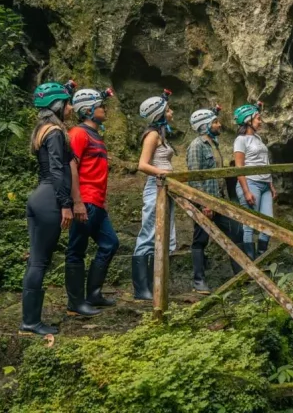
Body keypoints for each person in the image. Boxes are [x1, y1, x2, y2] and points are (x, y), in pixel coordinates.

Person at [21, 81, 76, 336]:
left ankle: (30, 320)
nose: (70, 108)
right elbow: (57, 170)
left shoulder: (41, 130)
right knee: (39, 262)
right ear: (56, 105)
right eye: (67, 103)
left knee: (36, 260)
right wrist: (66, 204)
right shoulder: (55, 132)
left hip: (38, 197)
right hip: (49, 200)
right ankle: (31, 322)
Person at [64, 87, 119, 317]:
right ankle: (75, 304)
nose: (104, 109)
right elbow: (71, 167)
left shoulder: (96, 135)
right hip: (84, 200)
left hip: (96, 201)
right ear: (87, 110)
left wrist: (102, 200)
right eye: (100, 106)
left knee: (110, 243)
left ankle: (93, 294)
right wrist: (76, 202)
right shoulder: (78, 133)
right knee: (76, 249)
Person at [187, 106, 245, 294]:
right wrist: (203, 203)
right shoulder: (196, 146)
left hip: (218, 200)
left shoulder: (214, 144)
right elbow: (195, 177)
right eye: (215, 122)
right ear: (204, 126)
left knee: (235, 231)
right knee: (200, 239)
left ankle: (241, 274)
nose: (219, 125)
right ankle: (199, 281)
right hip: (205, 202)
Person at [132, 89, 177, 300]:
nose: (171, 112)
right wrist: (165, 174)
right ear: (159, 114)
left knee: (163, 234)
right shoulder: (152, 135)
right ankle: (141, 289)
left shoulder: (161, 135)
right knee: (149, 233)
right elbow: (142, 165)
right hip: (155, 187)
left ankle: (152, 284)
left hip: (165, 187)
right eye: (168, 110)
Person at [233, 102, 275, 259]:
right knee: (250, 224)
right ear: (248, 120)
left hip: (265, 184)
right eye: (258, 118)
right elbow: (239, 167)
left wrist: (271, 184)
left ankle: (260, 256)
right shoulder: (240, 140)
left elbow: (265, 162)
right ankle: (251, 261)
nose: (260, 121)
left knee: (269, 223)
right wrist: (246, 191)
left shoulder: (258, 138)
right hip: (250, 183)